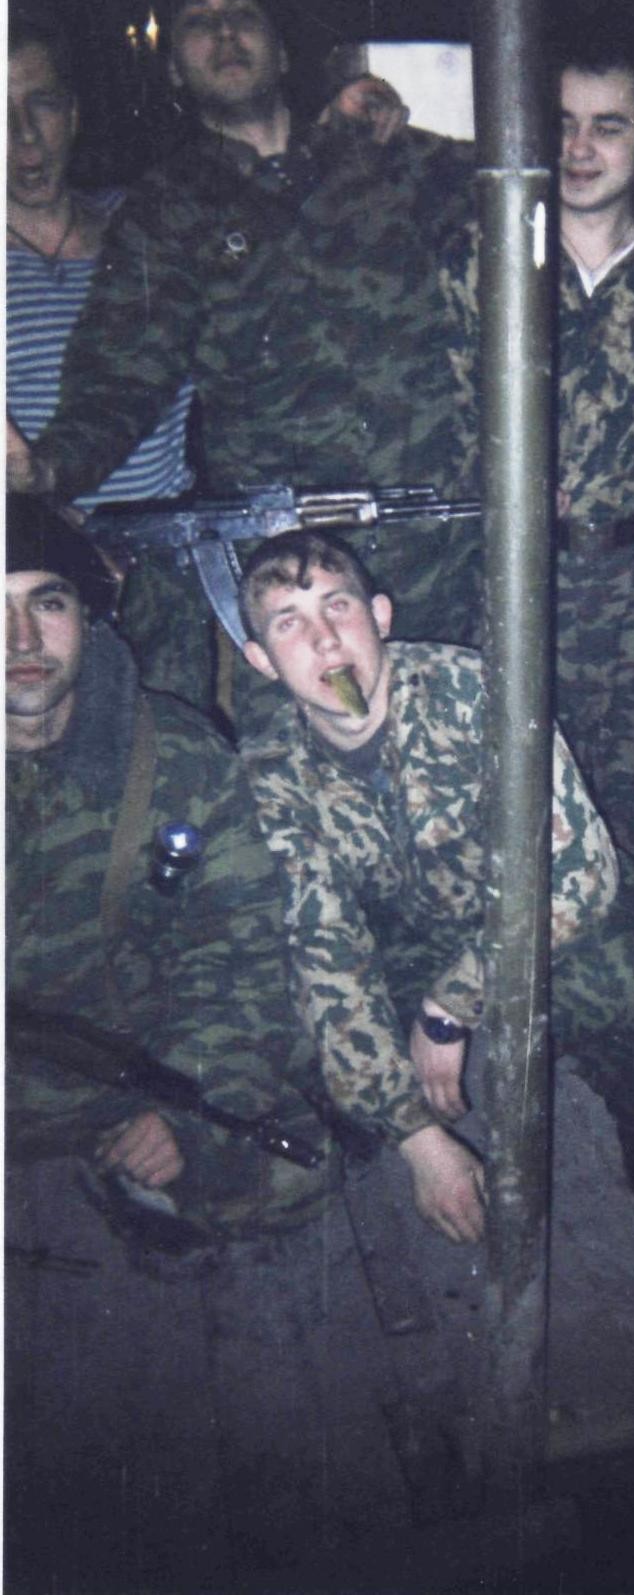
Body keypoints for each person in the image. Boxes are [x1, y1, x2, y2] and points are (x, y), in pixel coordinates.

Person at [10, 0, 634, 722]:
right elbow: (118, 380)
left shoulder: (395, 160)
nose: (223, 32)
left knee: (455, 756)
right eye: (197, 19)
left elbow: (564, 178)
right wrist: (44, 469)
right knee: (309, 773)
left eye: (242, 12)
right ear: (174, 70)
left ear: (283, 48)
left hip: (443, 562)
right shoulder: (164, 211)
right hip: (297, 578)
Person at [236, 527, 634, 1256]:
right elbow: (323, 950)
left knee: (632, 987)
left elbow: (579, 875)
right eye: (289, 623)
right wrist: (417, 1138)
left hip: (540, 910)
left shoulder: (476, 691)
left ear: (380, 615)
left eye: (338, 606)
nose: (325, 640)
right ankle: (383, 1113)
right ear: (260, 660)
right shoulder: (272, 770)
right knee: (297, 1021)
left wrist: (451, 1007)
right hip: (408, 931)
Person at [441, 16, 634, 952]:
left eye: (609, 126)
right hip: (528, 589)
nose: (579, 148)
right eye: (560, 123)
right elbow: (441, 412)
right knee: (524, 819)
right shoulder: (483, 261)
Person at [5, 495, 338, 1253]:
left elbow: (242, 951)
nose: (22, 637)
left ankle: (127, 1164)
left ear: (88, 615)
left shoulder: (175, 756)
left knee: (294, 1170)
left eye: (47, 602)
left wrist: (181, 1103)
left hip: (119, 1060)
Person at [6, 7, 204, 701]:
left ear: (74, 113)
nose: (23, 135)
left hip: (167, 579)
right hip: (30, 593)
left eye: (41, 104)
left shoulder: (150, 229)